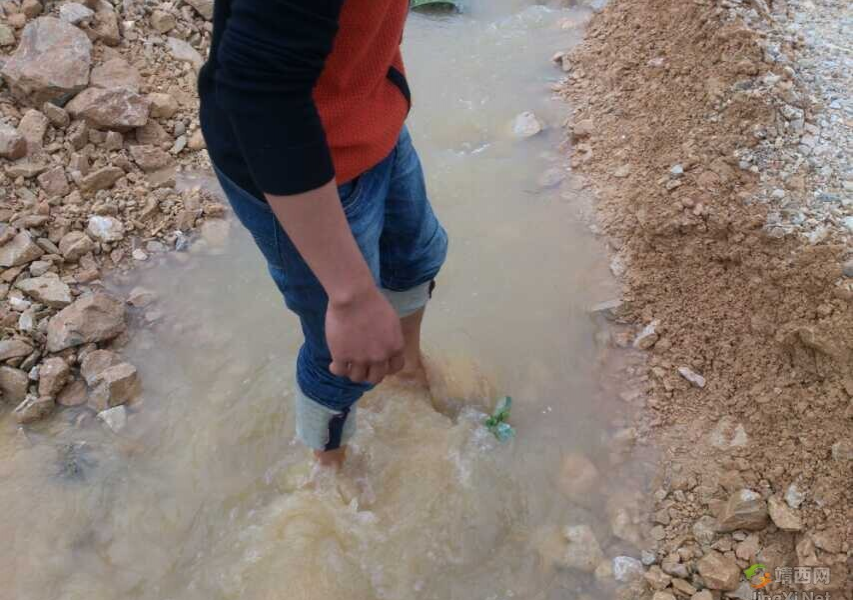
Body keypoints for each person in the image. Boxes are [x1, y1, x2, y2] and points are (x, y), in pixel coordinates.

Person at [198, 0, 448, 468]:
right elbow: (260, 93)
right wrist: (350, 295)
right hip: (300, 166)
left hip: (372, 114)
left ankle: (407, 372)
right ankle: (329, 468)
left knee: (414, 264)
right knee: (339, 353)